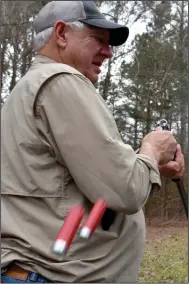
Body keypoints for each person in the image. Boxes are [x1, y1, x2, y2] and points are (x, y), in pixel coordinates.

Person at [1, 1, 185, 283]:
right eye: (98, 40)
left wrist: (153, 166)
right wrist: (151, 150)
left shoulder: (28, 89)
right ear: (61, 34)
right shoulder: (61, 81)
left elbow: (91, 185)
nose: (109, 52)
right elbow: (124, 190)